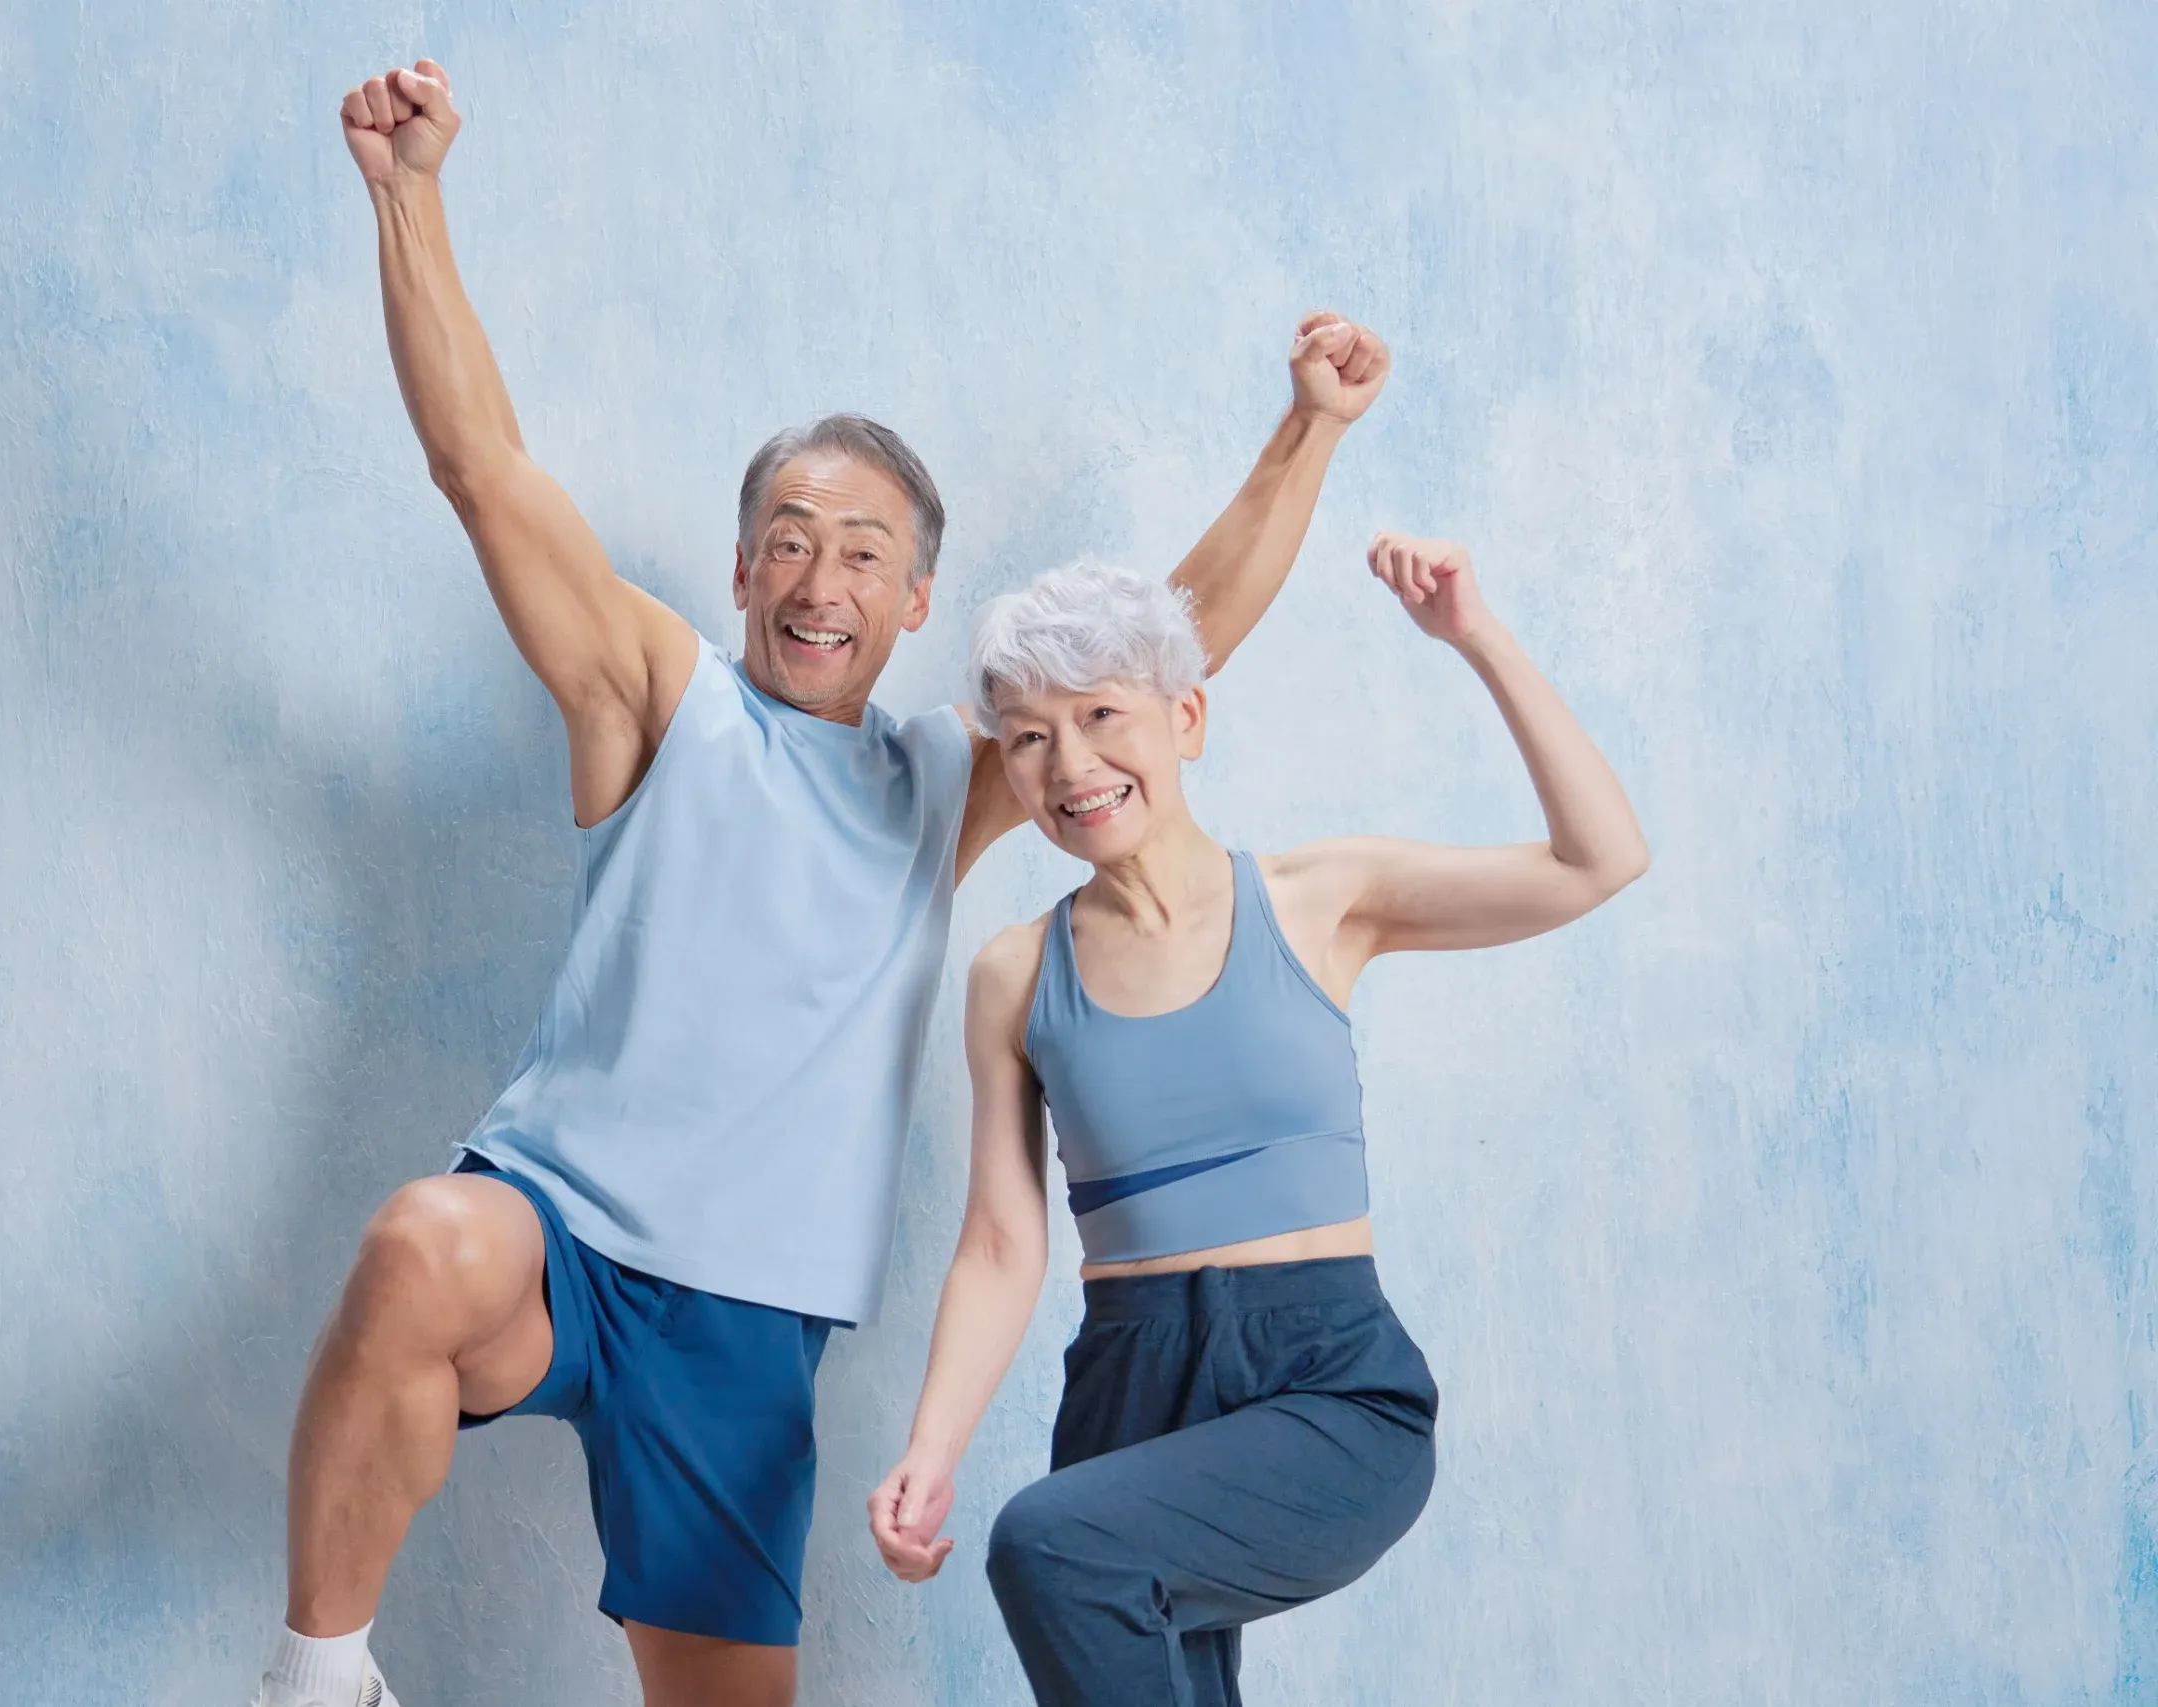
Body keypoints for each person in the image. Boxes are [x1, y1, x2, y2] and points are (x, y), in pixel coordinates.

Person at [250, 58, 1395, 1707]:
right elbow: (487, 471)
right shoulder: (655, 697)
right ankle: (316, 1682)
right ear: (737, 572)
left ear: (915, 598)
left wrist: (1311, 426)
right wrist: (407, 192)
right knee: (422, 1243)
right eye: (788, 535)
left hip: (745, 1332)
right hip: (555, 1238)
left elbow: (1179, 631)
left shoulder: (941, 782)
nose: (819, 570)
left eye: (863, 548)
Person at [866, 541, 1648, 1705]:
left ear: (1185, 716)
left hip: (1326, 1375)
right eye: (1028, 737)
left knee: (1054, 1548)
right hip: (1130, 1384)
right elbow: (999, 1240)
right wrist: (928, 1456)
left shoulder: (1319, 898)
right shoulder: (1015, 974)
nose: (1069, 762)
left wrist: (1474, 636)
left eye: (1099, 714)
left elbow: (1600, 859)